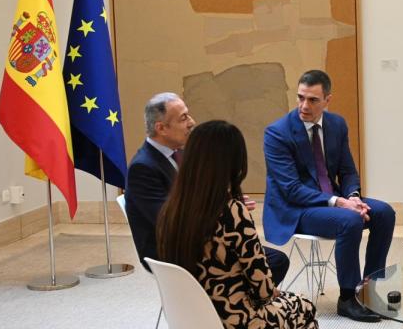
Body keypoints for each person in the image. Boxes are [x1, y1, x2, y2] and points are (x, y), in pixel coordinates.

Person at [156, 120, 337, 329]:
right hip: (236, 328)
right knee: (304, 311)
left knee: (284, 311)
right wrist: (272, 294)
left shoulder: (173, 210)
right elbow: (264, 289)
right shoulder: (231, 210)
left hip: (195, 327)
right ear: (232, 163)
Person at [263, 70, 396, 322]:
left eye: (312, 100)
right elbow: (291, 188)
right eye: (300, 97)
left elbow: (347, 171)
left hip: (332, 199)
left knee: (385, 212)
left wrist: (353, 197)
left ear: (327, 100)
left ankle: (371, 290)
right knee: (350, 220)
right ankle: (348, 298)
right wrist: (340, 203)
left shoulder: (336, 124)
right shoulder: (277, 133)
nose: (304, 105)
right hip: (295, 208)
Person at [124, 93, 289, 282]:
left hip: (198, 238)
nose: (192, 122)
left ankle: (234, 304)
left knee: (263, 258)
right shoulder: (143, 168)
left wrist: (225, 205)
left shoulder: (184, 154)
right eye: (183, 118)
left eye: (189, 115)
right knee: (271, 262)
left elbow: (196, 199)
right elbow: (167, 221)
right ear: (161, 128)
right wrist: (222, 212)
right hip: (173, 251)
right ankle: (229, 306)